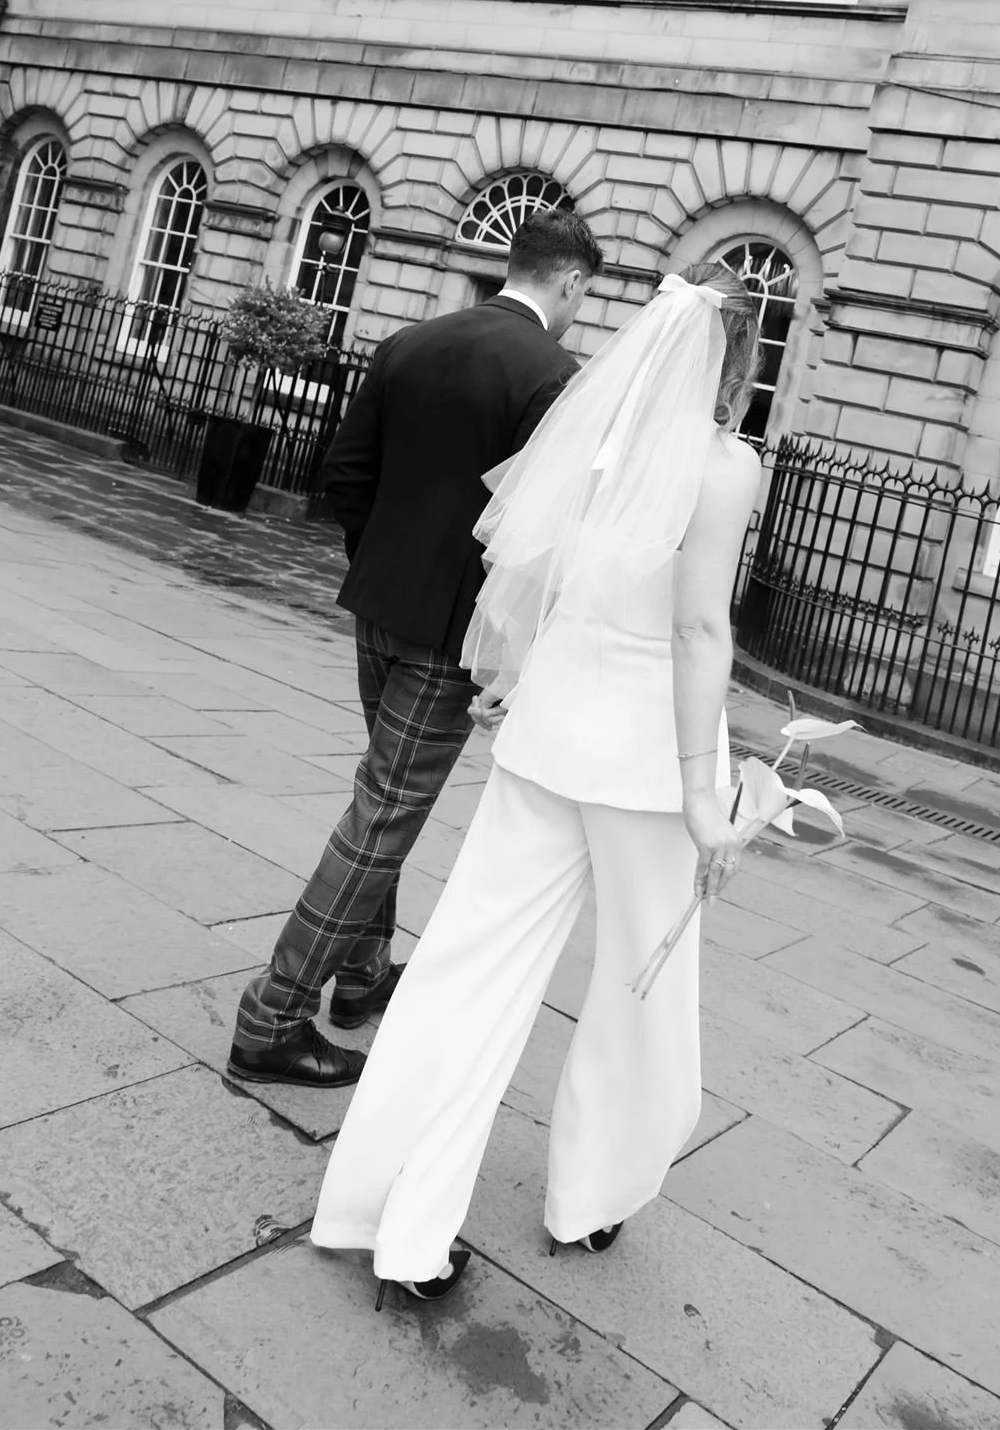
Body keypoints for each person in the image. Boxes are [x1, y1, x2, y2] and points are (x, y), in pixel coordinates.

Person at [310, 261, 763, 1300]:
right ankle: (590, 1195)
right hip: (646, 757)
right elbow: (700, 627)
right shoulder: (722, 463)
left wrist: (510, 682)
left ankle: (393, 1216)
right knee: (640, 989)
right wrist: (707, 794)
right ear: (737, 357)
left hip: (548, 726)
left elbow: (543, 577)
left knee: (468, 967)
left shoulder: (598, 442)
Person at [229, 207, 604, 1087]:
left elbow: (345, 474)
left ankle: (357, 981)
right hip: (449, 634)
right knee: (382, 818)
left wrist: (384, 566)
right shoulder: (554, 376)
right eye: (585, 295)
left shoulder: (408, 341)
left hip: (377, 605)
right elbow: (533, 532)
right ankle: (271, 1018)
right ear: (571, 281)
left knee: (379, 802)